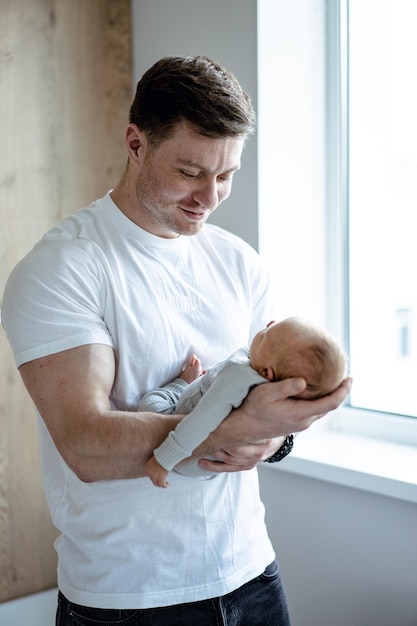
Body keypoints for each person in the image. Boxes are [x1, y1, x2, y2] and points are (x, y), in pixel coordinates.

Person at [1, 56, 352, 625]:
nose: (209, 196)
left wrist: (275, 439)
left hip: (250, 573)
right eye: (189, 172)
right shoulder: (62, 269)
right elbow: (86, 445)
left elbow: (269, 402)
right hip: (127, 598)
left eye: (227, 174)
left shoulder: (237, 261)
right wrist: (238, 428)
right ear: (136, 144)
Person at [142, 316, 347, 487]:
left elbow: (199, 422)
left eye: (268, 334)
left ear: (267, 372)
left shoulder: (238, 377)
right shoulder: (272, 385)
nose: (269, 324)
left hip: (187, 456)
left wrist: (164, 460)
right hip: (211, 465)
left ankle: (181, 386)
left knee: (151, 402)